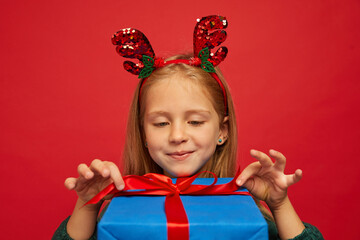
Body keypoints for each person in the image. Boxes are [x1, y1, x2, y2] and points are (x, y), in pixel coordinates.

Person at [53, 15, 324, 240]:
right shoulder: (117, 208)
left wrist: (279, 204)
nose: (178, 136)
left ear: (222, 131)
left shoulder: (250, 209)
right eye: (161, 123)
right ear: (143, 133)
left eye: (195, 121)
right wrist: (87, 206)